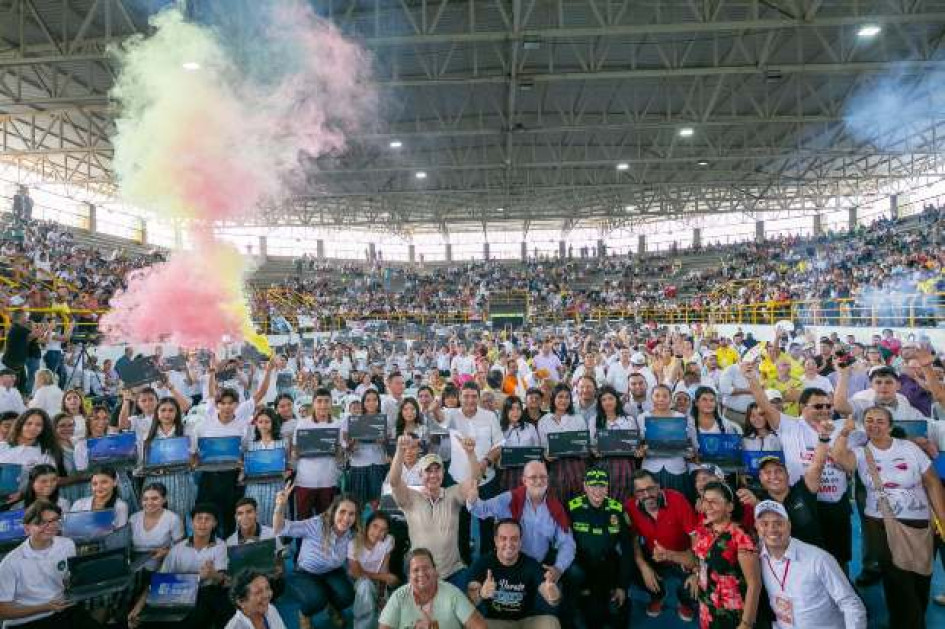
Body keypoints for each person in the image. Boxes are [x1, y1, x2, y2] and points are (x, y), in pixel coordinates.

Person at [832, 407, 945, 629]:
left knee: (921, 577)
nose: (874, 425)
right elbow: (839, 458)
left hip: (920, 521)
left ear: (890, 425)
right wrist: (844, 433)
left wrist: (942, 517)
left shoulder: (910, 448)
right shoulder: (860, 452)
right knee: (898, 580)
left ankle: (914, 619)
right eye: (869, 421)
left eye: (880, 421)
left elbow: (932, 482)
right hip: (881, 524)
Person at [658, 481, 761, 629]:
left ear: (729, 507)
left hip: (732, 611)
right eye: (705, 500)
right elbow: (696, 561)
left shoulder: (742, 536)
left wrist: (746, 624)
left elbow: (754, 584)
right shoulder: (703, 528)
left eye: (714, 502)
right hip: (707, 604)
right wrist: (668, 554)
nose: (707, 506)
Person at [388, 432, 481, 590]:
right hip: (421, 574)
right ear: (420, 474)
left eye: (437, 470)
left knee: (472, 607)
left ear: (443, 474)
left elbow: (475, 480)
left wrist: (471, 454)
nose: (433, 475)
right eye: (428, 471)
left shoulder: (452, 494)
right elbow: (394, 481)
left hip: (453, 572)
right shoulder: (410, 498)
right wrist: (399, 451)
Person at [754, 500, 866, 629]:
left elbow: (852, 604)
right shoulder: (756, 557)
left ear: (789, 525)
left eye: (778, 523)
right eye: (764, 524)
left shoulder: (818, 559)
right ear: (756, 527)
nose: (772, 529)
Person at [466, 460, 575, 587]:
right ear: (524, 480)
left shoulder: (555, 507)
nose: (539, 481)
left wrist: (558, 568)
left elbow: (567, 543)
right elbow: (482, 509)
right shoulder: (510, 498)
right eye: (533, 477)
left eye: (543, 477)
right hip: (509, 563)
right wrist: (472, 498)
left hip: (538, 565)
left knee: (569, 580)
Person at [0, 500, 103, 628]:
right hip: (25, 621)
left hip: (61, 610)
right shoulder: (10, 563)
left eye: (54, 520)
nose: (50, 526)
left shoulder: (67, 544)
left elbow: (68, 578)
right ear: (27, 529)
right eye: (42, 523)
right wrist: (45, 607)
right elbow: (3, 611)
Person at [130, 503, 232, 629]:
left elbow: (223, 579)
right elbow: (158, 582)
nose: (203, 523)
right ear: (192, 522)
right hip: (178, 595)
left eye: (208, 519)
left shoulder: (220, 545)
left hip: (205, 595)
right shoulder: (177, 549)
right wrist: (138, 607)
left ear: (214, 523)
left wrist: (212, 574)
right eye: (199, 518)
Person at [273, 486, 359, 629]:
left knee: (348, 596)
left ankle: (332, 608)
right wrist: (280, 506)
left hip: (332, 571)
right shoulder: (317, 524)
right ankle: (304, 614)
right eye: (342, 512)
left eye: (352, 514)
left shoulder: (352, 532)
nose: (346, 518)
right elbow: (279, 528)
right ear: (333, 511)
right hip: (306, 571)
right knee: (316, 599)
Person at [624, 470, 699, 622]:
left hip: (683, 557)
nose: (647, 495)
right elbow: (634, 539)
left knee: (695, 585)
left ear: (658, 487)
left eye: (650, 489)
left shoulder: (678, 499)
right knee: (630, 568)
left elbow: (695, 537)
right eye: (640, 491)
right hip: (654, 557)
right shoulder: (630, 506)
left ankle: (686, 603)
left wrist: (697, 572)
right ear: (635, 494)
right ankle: (657, 595)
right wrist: (643, 566)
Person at [565, 468, 633, 629]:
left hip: (607, 568)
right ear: (585, 487)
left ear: (607, 488)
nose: (597, 490)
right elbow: (563, 544)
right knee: (593, 619)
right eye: (593, 486)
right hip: (582, 567)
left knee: (619, 616)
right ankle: (580, 597)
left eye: (602, 486)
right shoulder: (573, 508)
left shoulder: (617, 509)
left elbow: (627, 551)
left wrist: (622, 586)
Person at [467, 519, 561, 629]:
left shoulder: (531, 564)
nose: (509, 544)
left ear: (520, 542)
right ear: (496, 541)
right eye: (503, 539)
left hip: (525, 622)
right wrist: (481, 593)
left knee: (551, 622)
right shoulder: (482, 563)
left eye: (514, 539)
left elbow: (551, 596)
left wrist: (553, 595)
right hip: (495, 622)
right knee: (474, 625)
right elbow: (470, 600)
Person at [379, 548, 487, 629]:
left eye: (426, 568)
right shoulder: (398, 597)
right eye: (416, 570)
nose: (421, 573)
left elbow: (480, 627)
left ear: (435, 571)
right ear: (408, 576)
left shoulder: (452, 594)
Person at [348, 511, 398, 629]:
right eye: (375, 526)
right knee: (366, 587)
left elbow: (385, 568)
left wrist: (382, 594)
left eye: (383, 529)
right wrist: (384, 577)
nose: (377, 533)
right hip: (358, 581)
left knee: (386, 616)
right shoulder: (354, 543)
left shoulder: (388, 541)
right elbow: (356, 573)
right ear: (367, 525)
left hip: (378, 579)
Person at [129, 482, 185, 573]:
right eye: (145, 499)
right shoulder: (134, 518)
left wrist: (166, 552)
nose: (149, 503)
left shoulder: (173, 519)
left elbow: (181, 549)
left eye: (154, 499)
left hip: (162, 567)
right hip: (136, 568)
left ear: (164, 499)